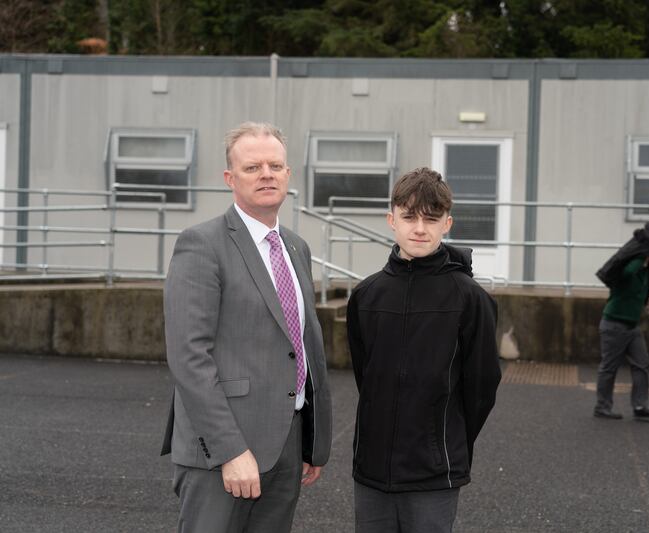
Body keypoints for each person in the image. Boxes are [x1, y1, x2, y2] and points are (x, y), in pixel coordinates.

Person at [161, 122, 332, 532]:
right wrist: (230, 451)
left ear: (289, 175)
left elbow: (303, 344)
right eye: (253, 167)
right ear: (230, 178)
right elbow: (189, 357)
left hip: (287, 448)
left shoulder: (296, 247)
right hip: (223, 453)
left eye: (275, 165)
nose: (267, 174)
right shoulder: (201, 245)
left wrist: (311, 441)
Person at [346, 167, 502, 533]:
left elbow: (481, 389)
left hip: (434, 472)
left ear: (447, 223)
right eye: (409, 217)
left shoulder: (471, 299)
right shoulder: (366, 296)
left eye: (431, 219)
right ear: (391, 220)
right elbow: (365, 378)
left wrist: (441, 442)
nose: (420, 228)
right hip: (371, 470)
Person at [593, 222, 649, 420]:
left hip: (632, 326)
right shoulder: (625, 273)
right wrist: (643, 256)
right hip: (614, 323)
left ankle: (640, 405)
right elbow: (629, 271)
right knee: (609, 368)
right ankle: (602, 407)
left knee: (641, 364)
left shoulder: (646, 274)